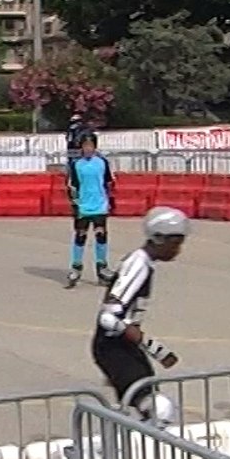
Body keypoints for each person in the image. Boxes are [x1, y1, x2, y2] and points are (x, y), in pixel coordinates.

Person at [92, 206, 190, 427]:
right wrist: (152, 347)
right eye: (175, 243)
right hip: (112, 347)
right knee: (157, 408)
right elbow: (108, 317)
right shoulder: (138, 265)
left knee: (135, 400)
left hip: (122, 346)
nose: (178, 250)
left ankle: (119, 441)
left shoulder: (144, 264)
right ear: (158, 239)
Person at [66, 135, 117, 288]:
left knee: (101, 235)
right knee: (81, 235)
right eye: (85, 146)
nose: (88, 149)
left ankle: (102, 267)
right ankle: (76, 267)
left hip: (100, 205)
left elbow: (109, 182)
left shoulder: (102, 163)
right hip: (83, 205)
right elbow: (72, 186)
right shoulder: (76, 165)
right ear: (81, 148)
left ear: (95, 147)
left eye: (90, 145)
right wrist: (75, 204)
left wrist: (110, 200)